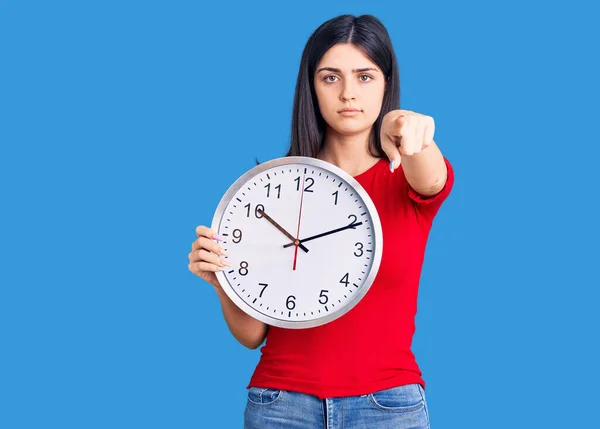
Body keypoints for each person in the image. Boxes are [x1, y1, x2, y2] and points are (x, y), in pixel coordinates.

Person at [188, 14, 454, 429]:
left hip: (387, 406)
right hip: (280, 404)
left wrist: (398, 123)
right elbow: (252, 335)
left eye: (365, 77)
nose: (348, 93)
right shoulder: (266, 191)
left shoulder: (407, 180)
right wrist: (222, 279)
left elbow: (431, 172)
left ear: (386, 82)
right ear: (311, 86)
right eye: (331, 78)